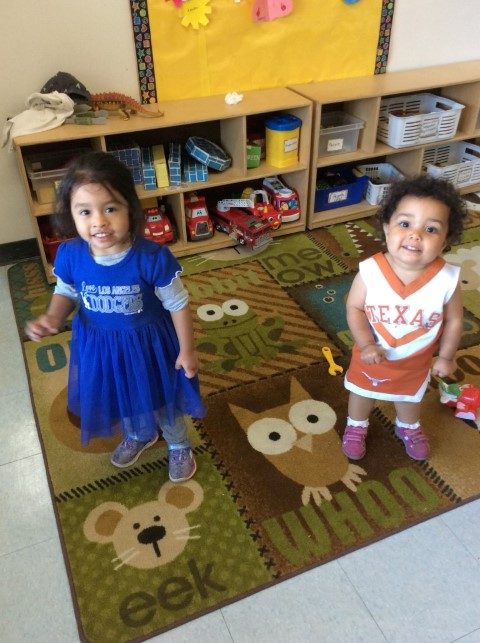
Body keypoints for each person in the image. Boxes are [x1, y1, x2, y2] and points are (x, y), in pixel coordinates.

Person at [26, 151, 206, 482]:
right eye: (85, 211)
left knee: (160, 395)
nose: (99, 221)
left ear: (130, 209)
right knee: (123, 392)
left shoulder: (151, 258)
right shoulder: (70, 255)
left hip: (149, 346)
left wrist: (187, 350)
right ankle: (140, 433)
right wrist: (52, 317)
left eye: (110, 208)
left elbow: (178, 304)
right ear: (71, 214)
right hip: (101, 346)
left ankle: (178, 443)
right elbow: (66, 291)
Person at [342, 175, 465, 462]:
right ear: (387, 227)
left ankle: (408, 425)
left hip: (415, 361)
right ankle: (356, 425)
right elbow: (354, 308)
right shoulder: (371, 271)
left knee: (410, 397)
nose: (415, 234)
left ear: (445, 240)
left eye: (431, 229)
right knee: (361, 392)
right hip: (371, 355)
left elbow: (455, 321)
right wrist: (366, 344)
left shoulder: (447, 279)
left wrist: (446, 356)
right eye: (405, 224)